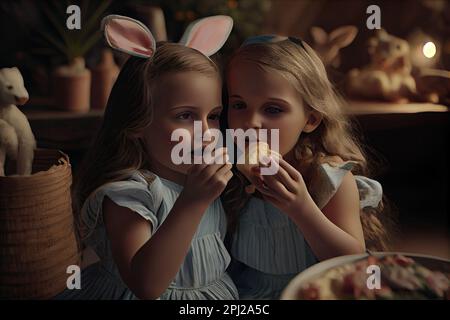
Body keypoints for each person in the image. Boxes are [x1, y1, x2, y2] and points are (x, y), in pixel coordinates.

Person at [222, 35, 394, 299]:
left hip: (315, 292)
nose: (251, 122)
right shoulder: (230, 173)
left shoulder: (328, 178)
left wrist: (302, 209)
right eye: (239, 105)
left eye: (273, 109)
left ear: (311, 119)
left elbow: (353, 261)